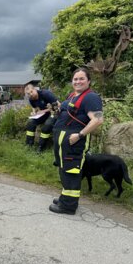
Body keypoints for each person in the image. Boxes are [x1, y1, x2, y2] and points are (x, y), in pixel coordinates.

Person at [50, 68, 104, 215]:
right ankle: (66, 198)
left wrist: (79, 135)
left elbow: (98, 120)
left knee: (71, 171)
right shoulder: (73, 95)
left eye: (81, 79)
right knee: (64, 169)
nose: (78, 81)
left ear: (89, 81)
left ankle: (68, 206)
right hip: (63, 142)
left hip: (74, 142)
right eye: (75, 79)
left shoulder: (91, 97)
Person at [24, 84, 60, 152]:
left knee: (47, 125)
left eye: (31, 92)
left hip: (55, 112)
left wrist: (43, 111)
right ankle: (29, 145)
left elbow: (58, 105)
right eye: (28, 94)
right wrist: (34, 113)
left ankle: (41, 147)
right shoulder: (31, 99)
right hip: (44, 114)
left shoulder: (45, 94)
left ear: (35, 89)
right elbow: (34, 108)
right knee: (30, 122)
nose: (30, 94)